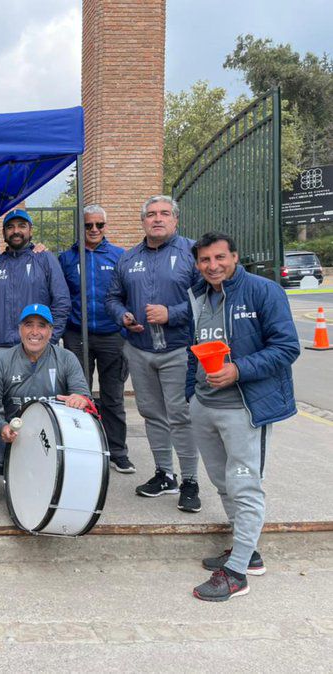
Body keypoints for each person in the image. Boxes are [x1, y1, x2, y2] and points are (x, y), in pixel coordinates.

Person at [186, 233, 300, 601]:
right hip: (206, 406)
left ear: (234, 257)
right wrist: (192, 394)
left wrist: (239, 370)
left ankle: (236, 575)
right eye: (205, 260)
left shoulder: (263, 291)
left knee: (244, 483)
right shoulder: (199, 295)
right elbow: (195, 349)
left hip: (244, 408)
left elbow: (287, 347)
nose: (213, 265)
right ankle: (245, 551)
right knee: (222, 481)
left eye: (220, 257)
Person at [105, 195, 202, 512]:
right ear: (142, 221)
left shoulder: (192, 253)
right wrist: (123, 317)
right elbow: (112, 298)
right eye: (150, 214)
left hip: (178, 349)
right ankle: (164, 474)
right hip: (140, 349)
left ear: (175, 219)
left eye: (164, 214)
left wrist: (171, 313)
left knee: (180, 416)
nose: (157, 219)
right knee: (151, 414)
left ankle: (190, 480)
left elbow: (207, 300)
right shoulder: (128, 258)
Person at [58, 205, 134, 474]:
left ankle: (118, 451)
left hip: (112, 335)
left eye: (98, 225)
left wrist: (126, 327)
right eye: (88, 225)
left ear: (105, 226)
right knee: (80, 395)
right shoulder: (66, 258)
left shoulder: (120, 256)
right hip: (77, 334)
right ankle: (85, 448)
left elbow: (128, 293)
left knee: (113, 397)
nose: (93, 230)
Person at [0, 304, 91, 477]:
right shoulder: (2, 361)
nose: (35, 331)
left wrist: (79, 399)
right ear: (20, 329)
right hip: (18, 435)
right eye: (29, 324)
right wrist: (3, 427)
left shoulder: (66, 358)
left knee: (83, 460)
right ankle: (23, 479)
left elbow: (83, 394)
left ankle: (48, 477)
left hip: (57, 434)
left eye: (42, 325)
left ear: (51, 331)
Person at [0, 209, 71, 369]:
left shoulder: (45, 259)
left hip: (37, 348)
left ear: (30, 230)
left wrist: (48, 341)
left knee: (36, 394)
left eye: (22, 226)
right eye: (10, 227)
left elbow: (62, 303)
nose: (16, 231)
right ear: (4, 233)